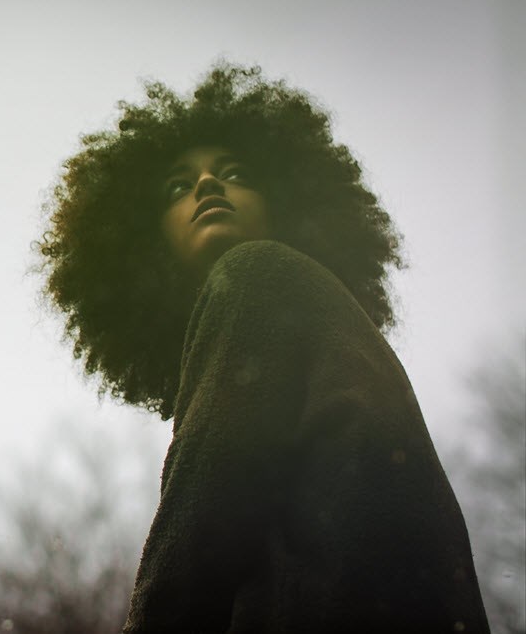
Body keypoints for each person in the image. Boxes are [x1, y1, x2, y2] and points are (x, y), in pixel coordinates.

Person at [36, 62, 490, 633]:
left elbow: (200, 528)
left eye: (235, 173)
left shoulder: (254, 274)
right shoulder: (330, 329)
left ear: (284, 203)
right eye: (179, 186)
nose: (207, 185)